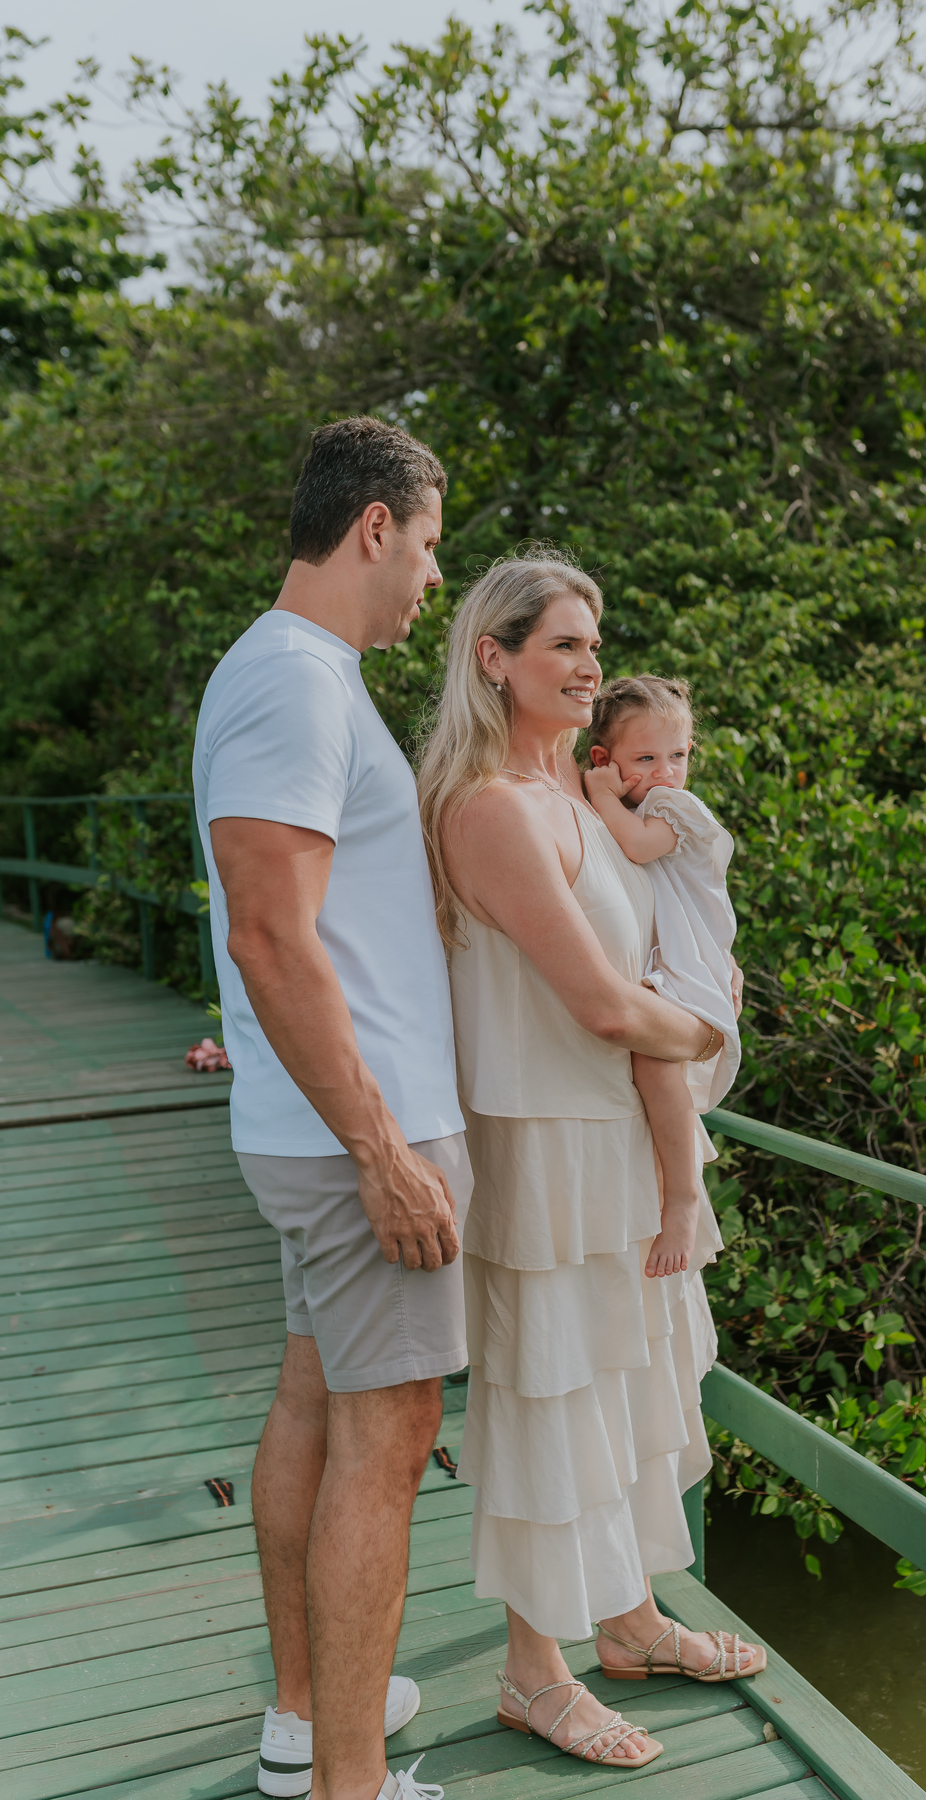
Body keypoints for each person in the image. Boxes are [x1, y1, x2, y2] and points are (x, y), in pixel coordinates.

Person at [417, 549, 766, 1774]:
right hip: (547, 1154)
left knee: (627, 1390)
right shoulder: (490, 808)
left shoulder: (571, 785)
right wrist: (713, 1028)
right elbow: (606, 1009)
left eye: (594, 641)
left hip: (613, 1143)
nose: (590, 663)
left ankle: (628, 1621)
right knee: (551, 1400)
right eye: (563, 643)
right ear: (493, 658)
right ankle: (533, 1672)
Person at [193, 416, 466, 1800]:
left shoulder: (295, 676)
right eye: (426, 546)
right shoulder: (294, 682)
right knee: (388, 1438)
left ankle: (311, 1718)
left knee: (319, 1406)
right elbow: (270, 937)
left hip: (323, 1132)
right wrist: (383, 1150)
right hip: (360, 1140)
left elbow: (306, 927)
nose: (431, 577)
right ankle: (348, 1789)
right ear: (374, 526)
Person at [583, 674, 741, 1278]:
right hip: (669, 956)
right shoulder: (631, 802)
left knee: (656, 1063)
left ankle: (682, 1196)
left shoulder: (672, 807)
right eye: (646, 759)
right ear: (607, 759)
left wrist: (600, 796)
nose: (666, 771)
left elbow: (641, 848)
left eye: (677, 756)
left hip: (690, 959)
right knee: (650, 1069)